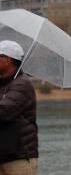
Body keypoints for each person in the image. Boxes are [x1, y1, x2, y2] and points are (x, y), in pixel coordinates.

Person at [0, 40, 38, 175]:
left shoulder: (22, 84)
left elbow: (3, 112)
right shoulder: (2, 83)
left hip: (18, 157)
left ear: (8, 60)